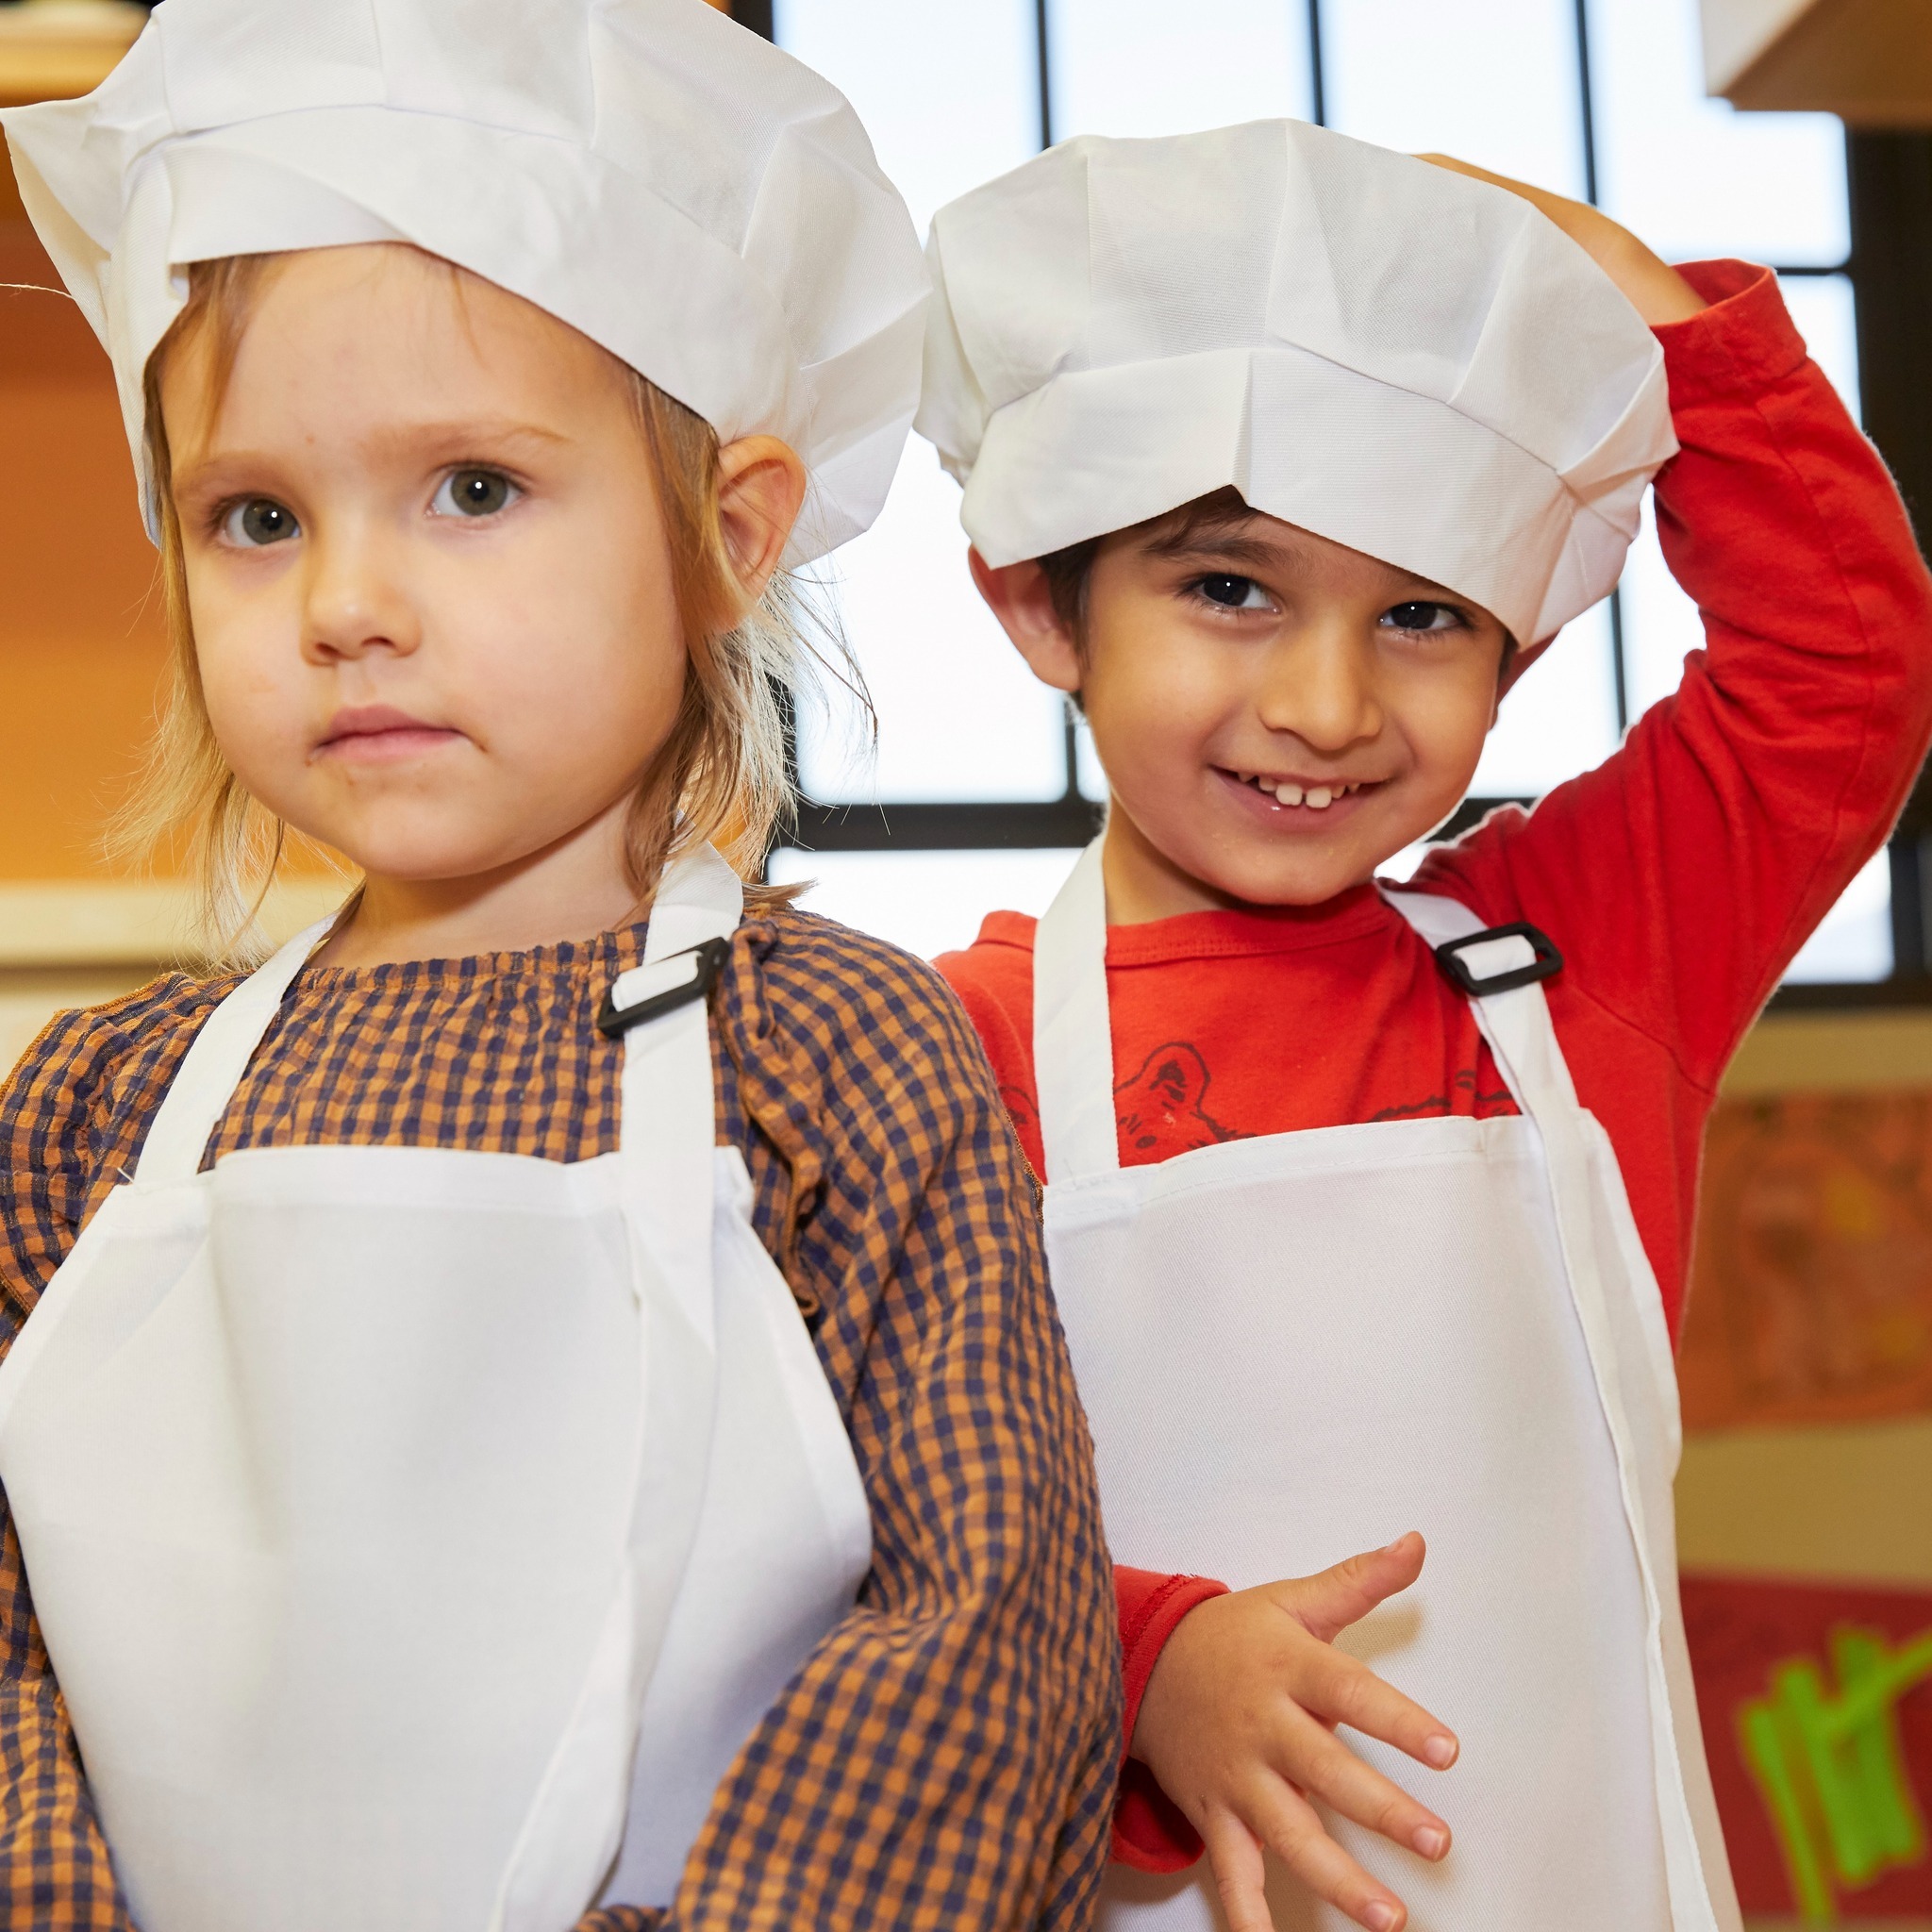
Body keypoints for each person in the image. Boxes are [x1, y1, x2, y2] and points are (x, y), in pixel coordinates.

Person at [0, 3, 1120, 1927]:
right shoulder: (92, 1103)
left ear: (726, 539)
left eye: (473, 490)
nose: (350, 604)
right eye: (255, 517)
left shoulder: (837, 1053)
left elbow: (988, 1643)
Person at [922, 119, 1932, 1932]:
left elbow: (1840, 668)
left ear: (1515, 660)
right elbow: (879, 1547)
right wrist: (1151, 1665)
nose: (1323, 703)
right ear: (1037, 603)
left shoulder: (1580, 958)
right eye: (1227, 587)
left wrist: (1628, 297)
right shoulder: (929, 1058)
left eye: (1422, 617)